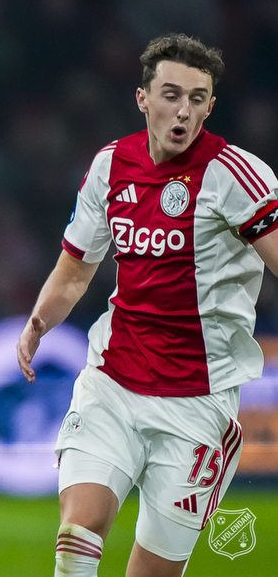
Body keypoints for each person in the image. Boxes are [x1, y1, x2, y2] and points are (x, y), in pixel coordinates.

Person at [17, 33, 278, 577]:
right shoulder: (111, 165)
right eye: (171, 94)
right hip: (113, 381)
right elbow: (75, 268)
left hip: (196, 401)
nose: (183, 111)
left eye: (197, 99)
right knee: (77, 535)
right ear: (143, 98)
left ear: (210, 106)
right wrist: (40, 320)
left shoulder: (236, 175)